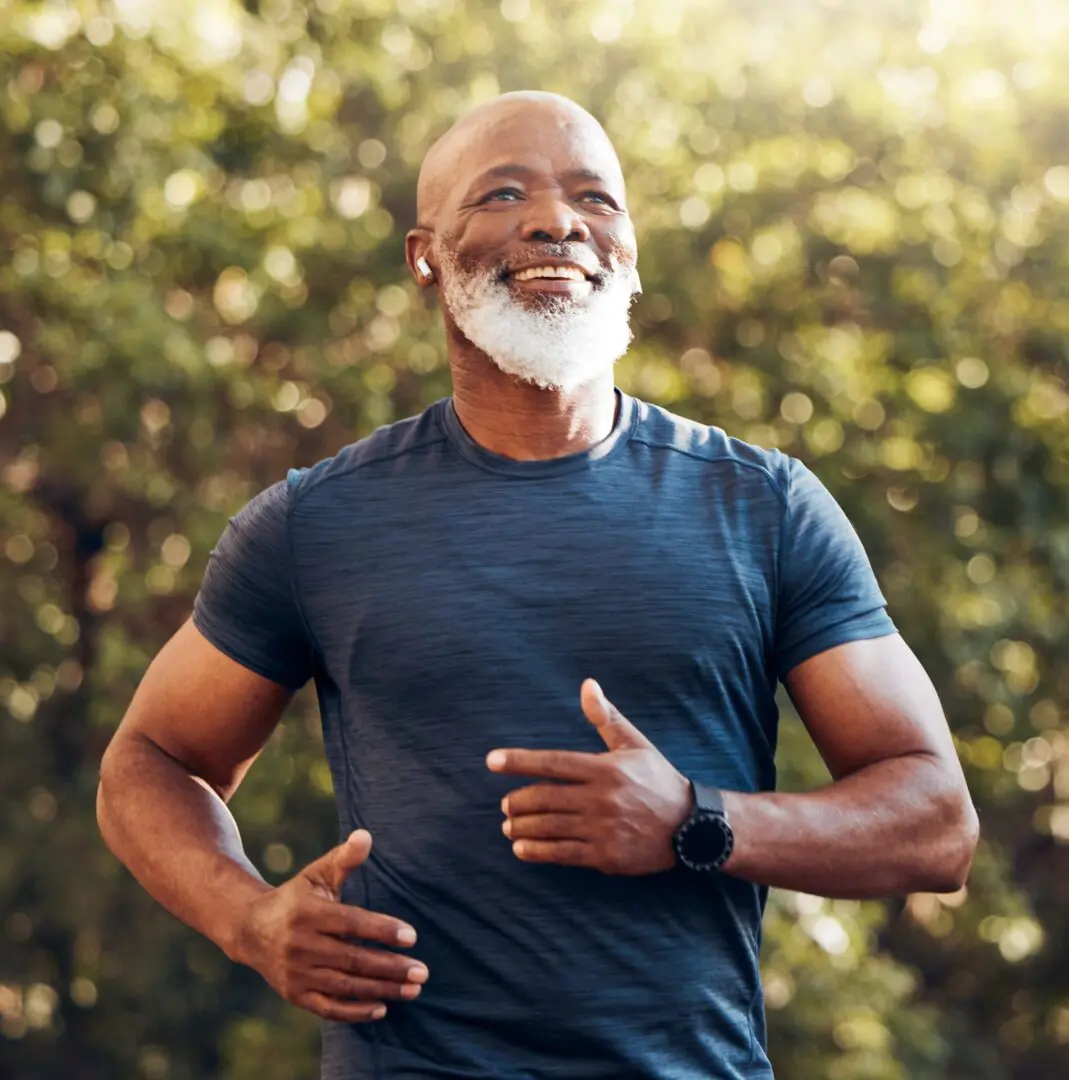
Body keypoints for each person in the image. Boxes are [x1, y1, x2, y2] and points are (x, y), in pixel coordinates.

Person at [97, 91, 979, 1080]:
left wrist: (695, 820)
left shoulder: (763, 509)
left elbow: (935, 824)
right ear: (424, 253)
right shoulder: (317, 522)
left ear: (629, 249)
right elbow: (153, 759)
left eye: (592, 197)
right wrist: (247, 919)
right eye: (502, 193)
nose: (556, 220)